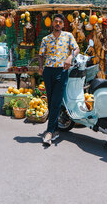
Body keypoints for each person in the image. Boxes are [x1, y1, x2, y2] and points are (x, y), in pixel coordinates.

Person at [38, 13, 79, 146]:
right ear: (52, 24)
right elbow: (41, 55)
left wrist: (70, 58)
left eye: (60, 22)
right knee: (50, 102)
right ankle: (55, 130)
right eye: (55, 21)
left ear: (63, 24)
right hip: (48, 71)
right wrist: (40, 68)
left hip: (61, 71)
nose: (57, 24)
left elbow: (76, 48)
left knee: (56, 101)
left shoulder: (68, 36)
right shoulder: (46, 39)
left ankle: (49, 132)